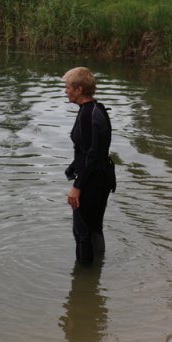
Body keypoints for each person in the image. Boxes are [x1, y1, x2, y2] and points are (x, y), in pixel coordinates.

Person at [63, 67, 115, 264]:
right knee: (94, 227)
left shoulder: (87, 115)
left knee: (82, 232)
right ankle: (97, 271)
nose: (65, 91)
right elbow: (93, 151)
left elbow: (91, 156)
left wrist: (77, 187)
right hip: (102, 177)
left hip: (92, 180)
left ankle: (83, 280)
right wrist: (73, 167)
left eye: (68, 87)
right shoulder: (97, 108)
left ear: (78, 89)